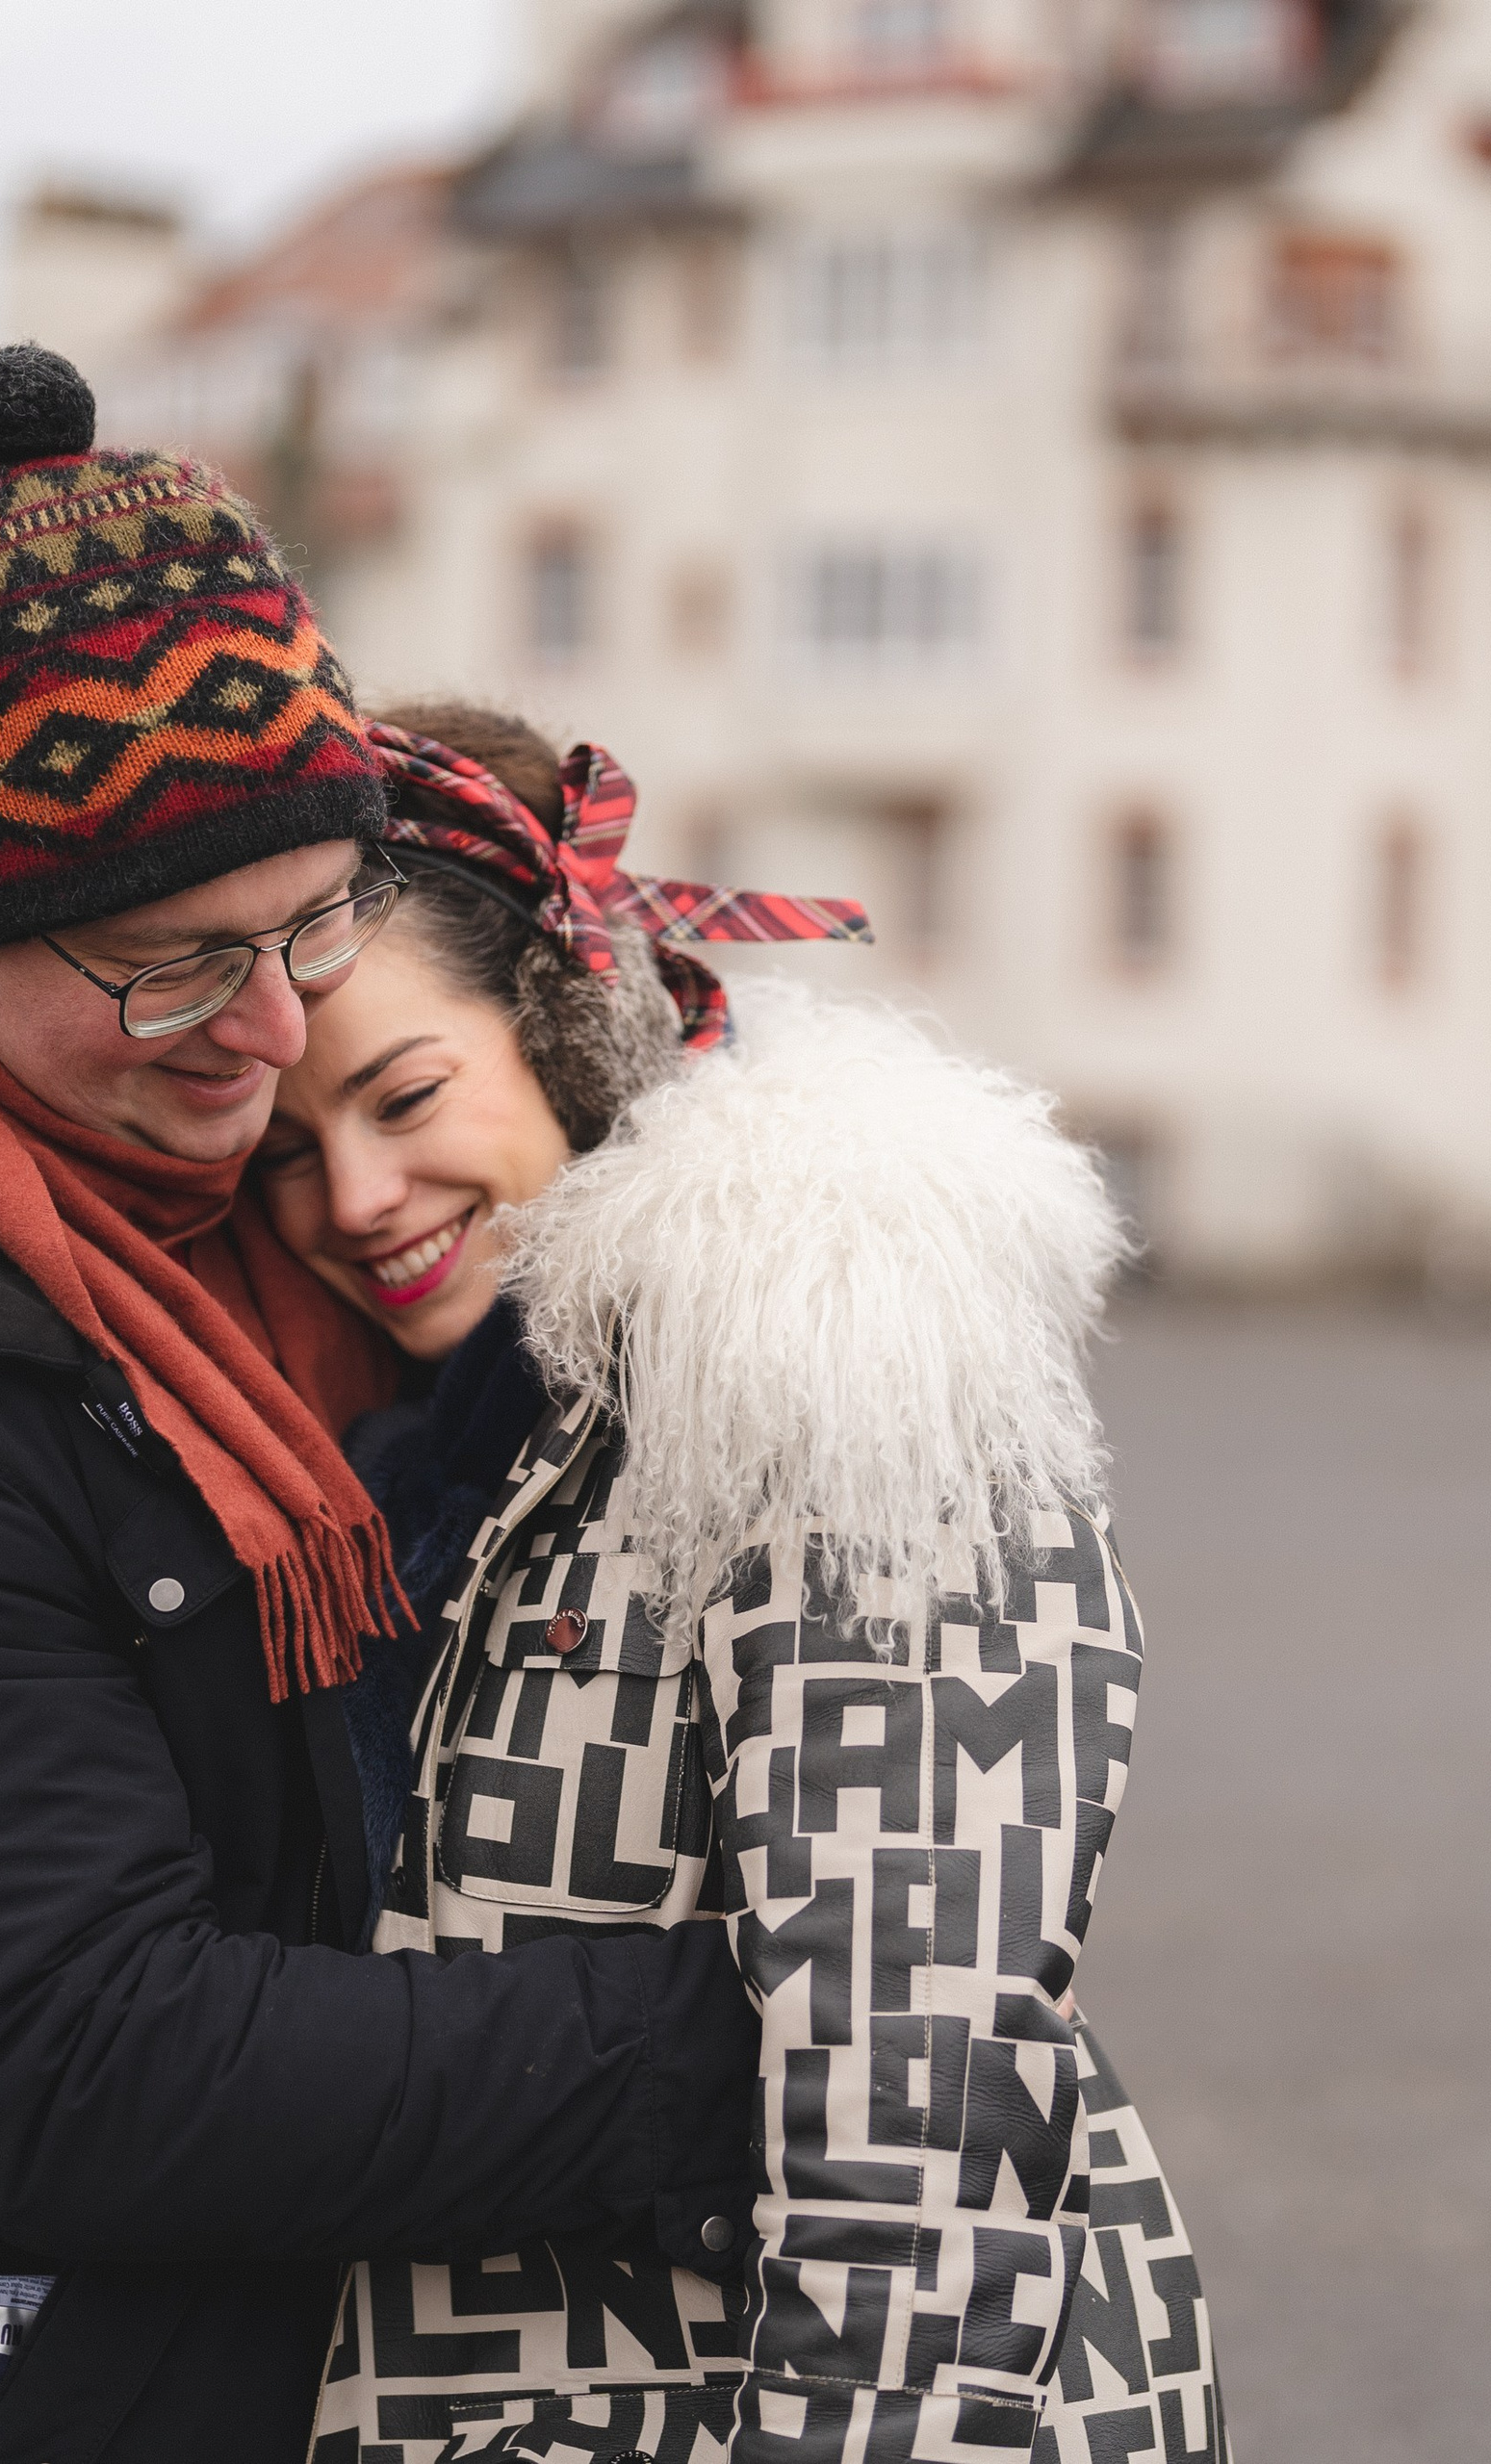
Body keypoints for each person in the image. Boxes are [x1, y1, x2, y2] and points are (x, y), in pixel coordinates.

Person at [0, 352, 756, 2462]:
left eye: (310, 926)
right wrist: (772, 2034)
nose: (268, 1031)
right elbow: (89, 2064)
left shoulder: (165, 1198)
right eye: (176, 964)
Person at [256, 707, 1231, 2464]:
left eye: (404, 1096)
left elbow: (921, 2097)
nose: (356, 1192)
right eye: (284, 1148)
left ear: (556, 1029)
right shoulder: (446, 1439)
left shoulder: (819, 1333)